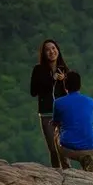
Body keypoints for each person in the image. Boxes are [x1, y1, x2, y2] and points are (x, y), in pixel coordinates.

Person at [29, 39, 71, 168]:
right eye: (48, 49)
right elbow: (33, 91)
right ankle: (56, 175)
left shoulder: (63, 69)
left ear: (58, 49)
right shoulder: (38, 70)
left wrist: (64, 81)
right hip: (46, 113)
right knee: (53, 148)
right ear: (44, 53)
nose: (51, 51)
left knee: (63, 147)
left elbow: (71, 91)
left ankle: (68, 173)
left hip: (62, 113)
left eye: (53, 48)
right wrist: (51, 79)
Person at [51, 72, 93, 172]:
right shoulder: (91, 101)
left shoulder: (58, 102)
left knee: (56, 132)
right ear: (80, 85)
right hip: (90, 148)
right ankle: (90, 166)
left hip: (67, 148)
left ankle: (66, 168)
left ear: (65, 85)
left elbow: (56, 122)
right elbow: (92, 120)